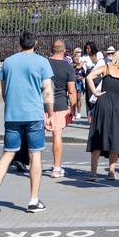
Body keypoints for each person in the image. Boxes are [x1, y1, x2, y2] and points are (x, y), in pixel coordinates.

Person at [0, 33, 55, 215]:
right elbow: (47, 89)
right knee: (35, 154)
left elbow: (4, 89)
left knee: (8, 153)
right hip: (33, 113)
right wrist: (50, 113)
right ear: (36, 43)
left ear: (19, 43)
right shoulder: (42, 62)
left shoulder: (8, 62)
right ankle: (33, 199)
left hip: (13, 114)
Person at [85, 49, 119, 180]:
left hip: (103, 103)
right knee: (115, 138)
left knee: (98, 136)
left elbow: (89, 77)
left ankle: (93, 172)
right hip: (117, 107)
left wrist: (95, 92)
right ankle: (111, 171)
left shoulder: (106, 68)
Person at [46, 40, 78, 178]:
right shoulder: (67, 67)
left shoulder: (44, 63)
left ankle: (34, 164)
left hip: (41, 102)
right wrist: (73, 110)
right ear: (65, 51)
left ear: (51, 49)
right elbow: (71, 91)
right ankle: (56, 168)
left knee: (37, 136)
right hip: (59, 103)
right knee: (57, 136)